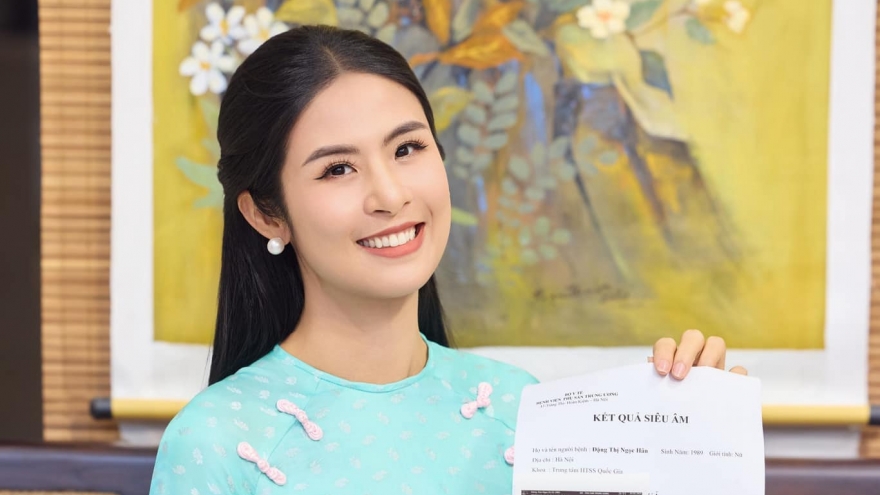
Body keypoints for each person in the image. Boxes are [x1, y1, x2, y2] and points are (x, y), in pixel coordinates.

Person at [149, 25, 747, 495]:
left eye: (407, 148)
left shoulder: (518, 406)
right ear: (265, 214)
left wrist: (695, 448)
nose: (390, 195)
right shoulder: (218, 442)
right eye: (338, 168)